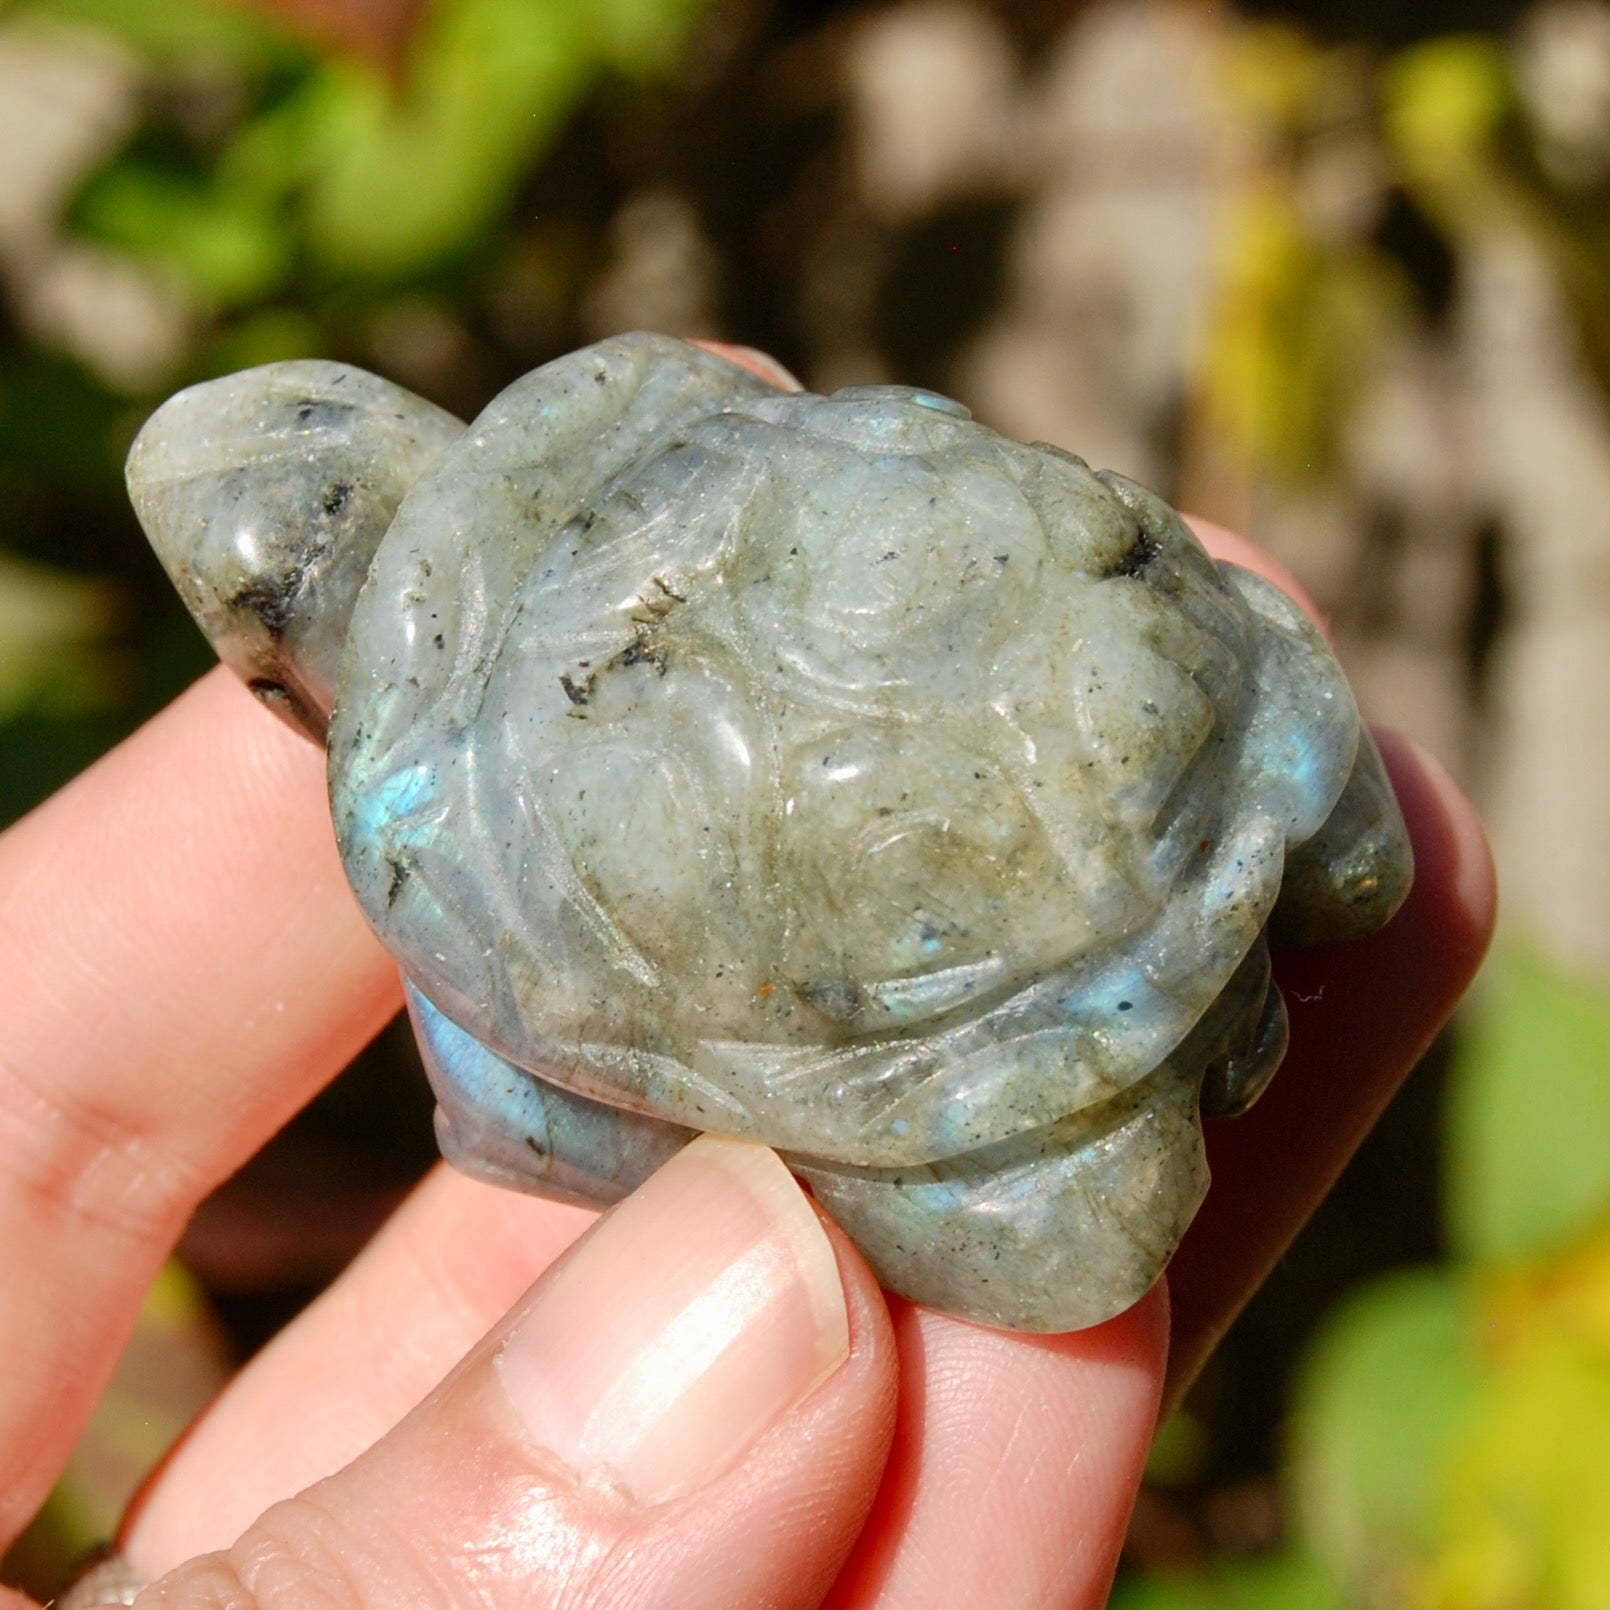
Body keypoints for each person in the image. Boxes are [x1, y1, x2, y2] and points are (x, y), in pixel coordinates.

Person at [0, 496, 1492, 1608]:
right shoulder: (643, 413)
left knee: (1091, 1228)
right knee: (1178, 1123)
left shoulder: (434, 839)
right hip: (1149, 703)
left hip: (970, 987)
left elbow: (521, 1120)